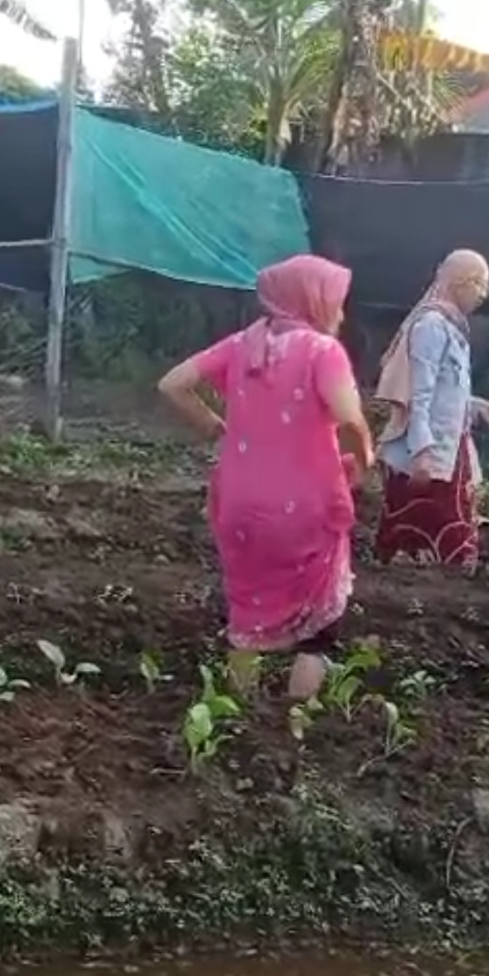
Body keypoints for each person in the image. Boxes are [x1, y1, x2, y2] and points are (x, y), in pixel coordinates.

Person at [158, 255, 374, 701]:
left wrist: (216, 427)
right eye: (336, 301)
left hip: (240, 505)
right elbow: (349, 420)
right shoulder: (323, 351)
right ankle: (296, 722)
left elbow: (172, 384)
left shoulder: (242, 343)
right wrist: (363, 459)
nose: (341, 312)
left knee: (247, 611)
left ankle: (238, 714)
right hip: (306, 506)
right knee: (318, 629)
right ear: (313, 300)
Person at [373, 249, 489, 571]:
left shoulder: (452, 327)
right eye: (479, 284)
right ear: (461, 283)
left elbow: (444, 390)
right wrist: (421, 452)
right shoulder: (431, 326)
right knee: (435, 533)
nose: (483, 295)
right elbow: (419, 395)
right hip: (426, 454)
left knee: (449, 531)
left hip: (447, 449)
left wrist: (475, 407)